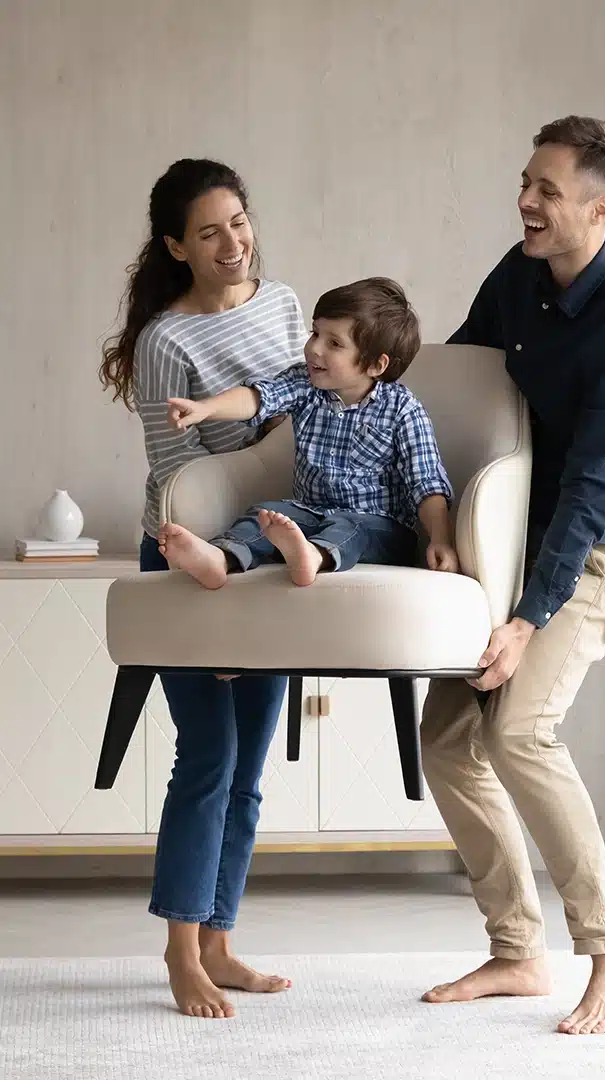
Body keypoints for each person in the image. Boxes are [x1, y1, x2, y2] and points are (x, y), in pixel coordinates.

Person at [420, 116, 605, 1035]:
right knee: (448, 738)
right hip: (505, 537)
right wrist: (433, 520)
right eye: (526, 182)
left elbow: (592, 501)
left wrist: (526, 619)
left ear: (599, 209)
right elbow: (453, 382)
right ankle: (516, 952)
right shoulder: (519, 274)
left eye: (549, 191)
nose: (526, 201)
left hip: (596, 549)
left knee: (521, 728)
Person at [99, 158, 308, 1019]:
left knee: (249, 768)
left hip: (268, 557)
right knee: (208, 758)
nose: (233, 242)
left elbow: (312, 412)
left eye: (240, 220)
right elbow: (181, 476)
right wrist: (216, 596)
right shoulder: (166, 343)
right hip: (191, 560)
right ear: (177, 246)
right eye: (211, 230)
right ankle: (181, 949)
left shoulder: (288, 305)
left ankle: (221, 943)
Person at [158, 277, 458, 587]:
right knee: (264, 513)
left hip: (381, 528)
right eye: (315, 332)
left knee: (350, 526)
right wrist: (207, 408)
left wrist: (441, 539)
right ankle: (220, 559)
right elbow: (260, 397)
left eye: (334, 343)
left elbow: (427, 483)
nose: (313, 348)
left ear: (375, 365)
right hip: (310, 514)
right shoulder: (306, 385)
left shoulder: (402, 410)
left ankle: (313, 557)